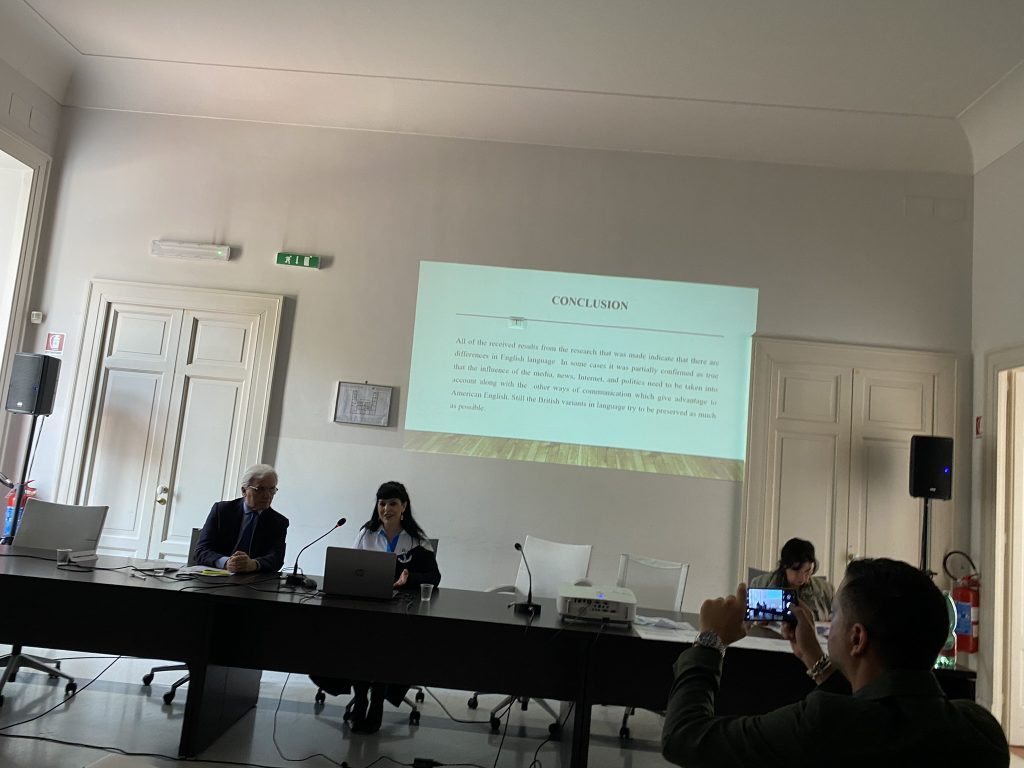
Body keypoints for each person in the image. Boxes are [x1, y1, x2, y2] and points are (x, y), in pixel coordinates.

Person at [662, 558, 1009, 768]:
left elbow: (684, 738)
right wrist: (817, 662)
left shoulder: (823, 724)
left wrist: (711, 641)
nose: (829, 621)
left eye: (836, 613)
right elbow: (883, 710)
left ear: (857, 639)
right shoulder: (981, 731)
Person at [311, 481, 440, 734]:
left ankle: (378, 701)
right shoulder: (367, 534)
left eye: (393, 503)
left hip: (400, 611)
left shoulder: (417, 540)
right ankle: (361, 699)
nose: (386, 509)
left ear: (404, 506)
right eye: (382, 503)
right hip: (368, 606)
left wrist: (409, 578)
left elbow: (434, 577)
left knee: (385, 646)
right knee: (359, 643)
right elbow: (350, 568)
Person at [193, 464, 289, 573]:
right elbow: (201, 551)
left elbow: (277, 559)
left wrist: (254, 564)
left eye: (271, 490)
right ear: (244, 490)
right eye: (260, 489)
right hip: (217, 576)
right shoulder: (222, 511)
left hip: (254, 579)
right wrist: (226, 563)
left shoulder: (278, 522)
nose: (267, 495)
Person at [749, 536, 834, 621]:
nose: (802, 577)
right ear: (784, 566)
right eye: (796, 571)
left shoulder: (827, 590)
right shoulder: (759, 584)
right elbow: (750, 622)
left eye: (807, 571)